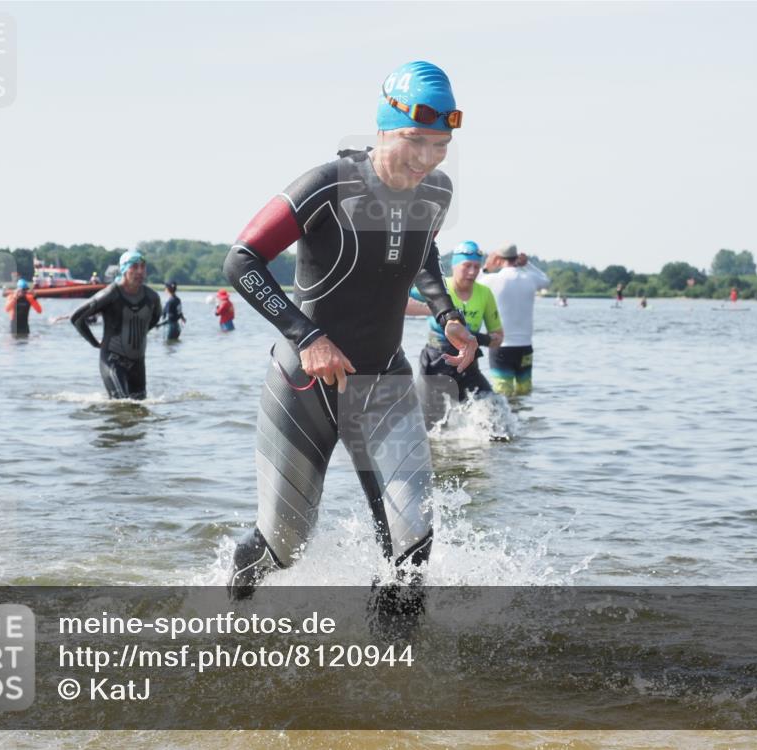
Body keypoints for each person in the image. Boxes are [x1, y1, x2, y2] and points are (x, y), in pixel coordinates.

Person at [222, 60, 476, 599]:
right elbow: (242, 261)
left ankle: (392, 678)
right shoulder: (327, 184)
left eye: (440, 145)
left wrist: (447, 314)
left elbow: (423, 252)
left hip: (384, 382)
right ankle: (228, 627)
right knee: (282, 546)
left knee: (413, 548)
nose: (427, 158)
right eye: (415, 140)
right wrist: (307, 336)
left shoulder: (437, 194)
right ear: (384, 127)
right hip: (303, 387)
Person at [407, 240, 502, 412]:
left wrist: (481, 338)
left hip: (468, 363)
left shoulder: (485, 293)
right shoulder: (439, 287)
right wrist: (434, 311)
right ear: (454, 266)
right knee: (430, 422)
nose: (472, 272)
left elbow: (498, 338)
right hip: (437, 361)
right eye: (467, 266)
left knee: (494, 410)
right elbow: (400, 300)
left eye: (476, 266)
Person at [70, 250, 162, 400]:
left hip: (138, 364)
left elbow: (155, 318)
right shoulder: (111, 294)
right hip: (113, 362)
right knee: (123, 406)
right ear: (124, 269)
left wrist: (140, 333)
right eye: (135, 266)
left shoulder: (152, 297)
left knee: (140, 409)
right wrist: (94, 343)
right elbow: (76, 318)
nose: (140, 271)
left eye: (143, 266)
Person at [478, 244, 550, 396]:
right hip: (525, 346)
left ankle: (509, 419)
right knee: (525, 390)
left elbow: (470, 282)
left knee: (503, 393)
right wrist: (528, 264)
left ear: (498, 259)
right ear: (516, 257)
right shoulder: (530, 278)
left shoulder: (491, 279)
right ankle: (522, 417)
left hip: (500, 345)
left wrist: (486, 267)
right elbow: (546, 281)